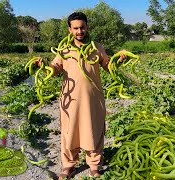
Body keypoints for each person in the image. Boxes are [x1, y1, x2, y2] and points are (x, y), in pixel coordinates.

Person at [36, 12, 127, 179]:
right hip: (70, 99)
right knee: (69, 132)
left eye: (82, 27)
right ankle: (69, 166)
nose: (80, 31)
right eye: (76, 28)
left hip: (93, 99)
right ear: (70, 29)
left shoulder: (96, 47)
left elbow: (108, 66)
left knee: (94, 130)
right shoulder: (64, 49)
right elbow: (55, 68)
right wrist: (44, 66)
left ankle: (94, 165)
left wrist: (118, 61)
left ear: (87, 27)